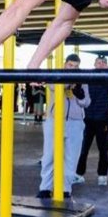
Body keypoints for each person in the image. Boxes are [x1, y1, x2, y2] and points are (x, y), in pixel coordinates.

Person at [37, 54, 90, 199]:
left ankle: (66, 189)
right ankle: (45, 188)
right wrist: (70, 83)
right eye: (70, 65)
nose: (73, 68)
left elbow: (86, 102)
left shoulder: (83, 80)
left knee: (71, 157)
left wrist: (79, 93)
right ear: (65, 64)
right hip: (54, 120)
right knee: (49, 155)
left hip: (76, 121)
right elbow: (54, 86)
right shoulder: (56, 75)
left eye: (76, 66)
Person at [75, 55, 108, 186]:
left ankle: (102, 175)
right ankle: (79, 174)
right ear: (94, 64)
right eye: (98, 62)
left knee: (103, 149)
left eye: (103, 63)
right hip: (87, 118)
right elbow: (79, 88)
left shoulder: (107, 77)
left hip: (102, 118)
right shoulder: (89, 75)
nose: (100, 65)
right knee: (83, 148)